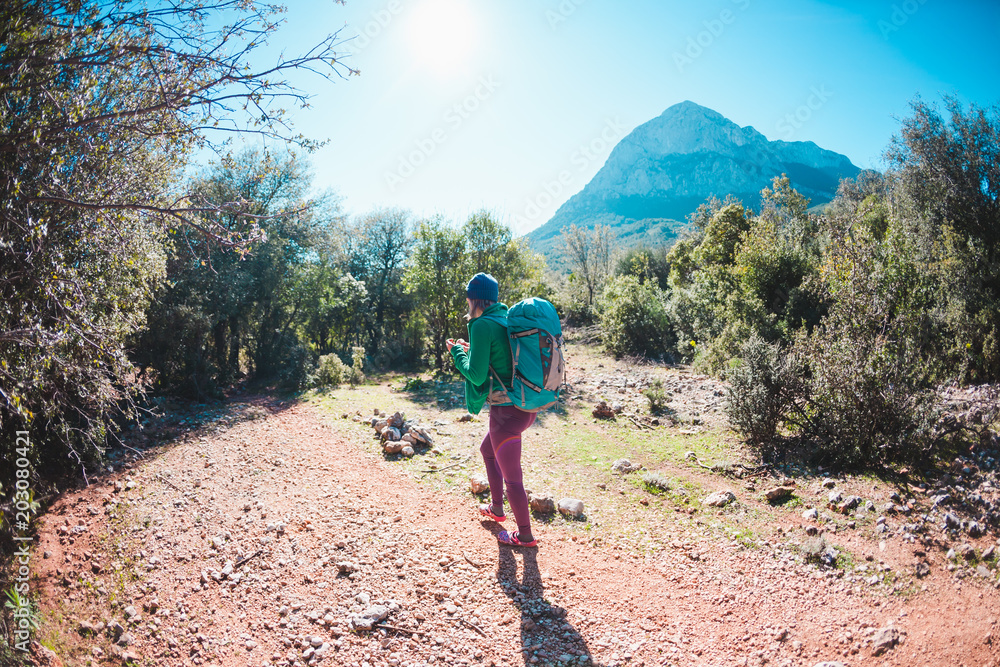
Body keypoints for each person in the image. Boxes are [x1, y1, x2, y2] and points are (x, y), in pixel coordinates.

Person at [446, 272, 538, 547]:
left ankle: (525, 535)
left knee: (514, 478)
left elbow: (475, 376)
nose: (467, 304)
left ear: (475, 299)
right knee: (488, 451)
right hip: (526, 407)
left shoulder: (480, 324)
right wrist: (471, 348)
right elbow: (498, 356)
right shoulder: (503, 318)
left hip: (506, 413)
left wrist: (457, 353)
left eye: (468, 299)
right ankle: (497, 509)